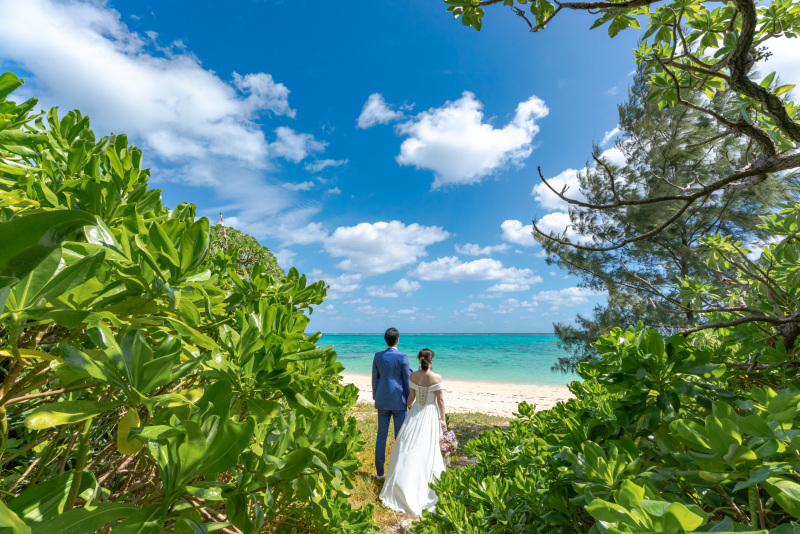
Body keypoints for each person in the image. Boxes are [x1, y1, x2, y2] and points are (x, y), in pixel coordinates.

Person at [379, 348, 446, 518]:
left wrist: (409, 406)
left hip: (417, 411)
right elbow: (440, 400)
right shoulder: (437, 377)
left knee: (409, 445)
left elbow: (411, 398)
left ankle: (402, 484)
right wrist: (443, 420)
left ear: (420, 360)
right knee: (427, 448)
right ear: (431, 361)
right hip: (430, 413)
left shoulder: (413, 376)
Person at [372, 327, 411, 479]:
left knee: (381, 436)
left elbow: (375, 378)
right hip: (398, 400)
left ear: (386, 340)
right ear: (397, 340)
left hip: (382, 399)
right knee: (399, 436)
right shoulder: (402, 357)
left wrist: (376, 396)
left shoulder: (378, 356)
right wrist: (409, 399)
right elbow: (407, 380)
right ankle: (398, 471)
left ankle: (380, 472)